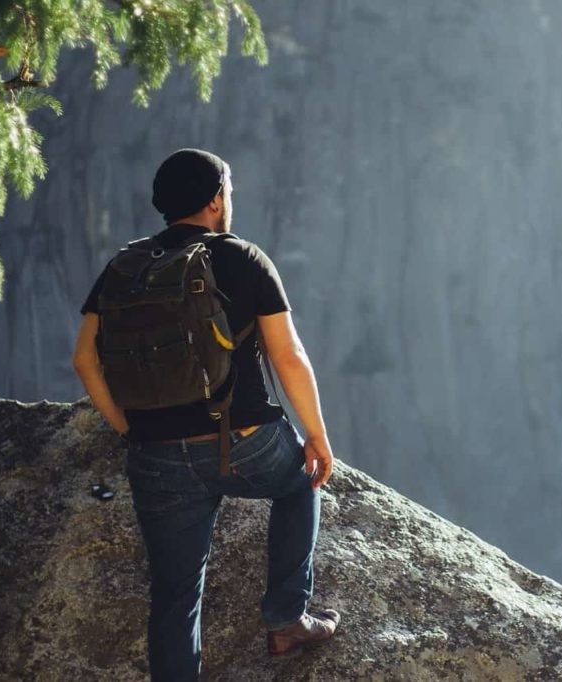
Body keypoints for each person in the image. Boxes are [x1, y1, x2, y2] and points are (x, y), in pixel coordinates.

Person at [72, 148, 341, 680]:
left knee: (176, 595)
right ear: (216, 199)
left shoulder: (125, 265)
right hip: (241, 438)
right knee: (299, 485)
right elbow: (288, 356)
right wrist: (317, 436)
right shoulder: (241, 257)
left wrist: (131, 429)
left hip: (155, 452)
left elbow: (84, 359)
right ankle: (287, 619)